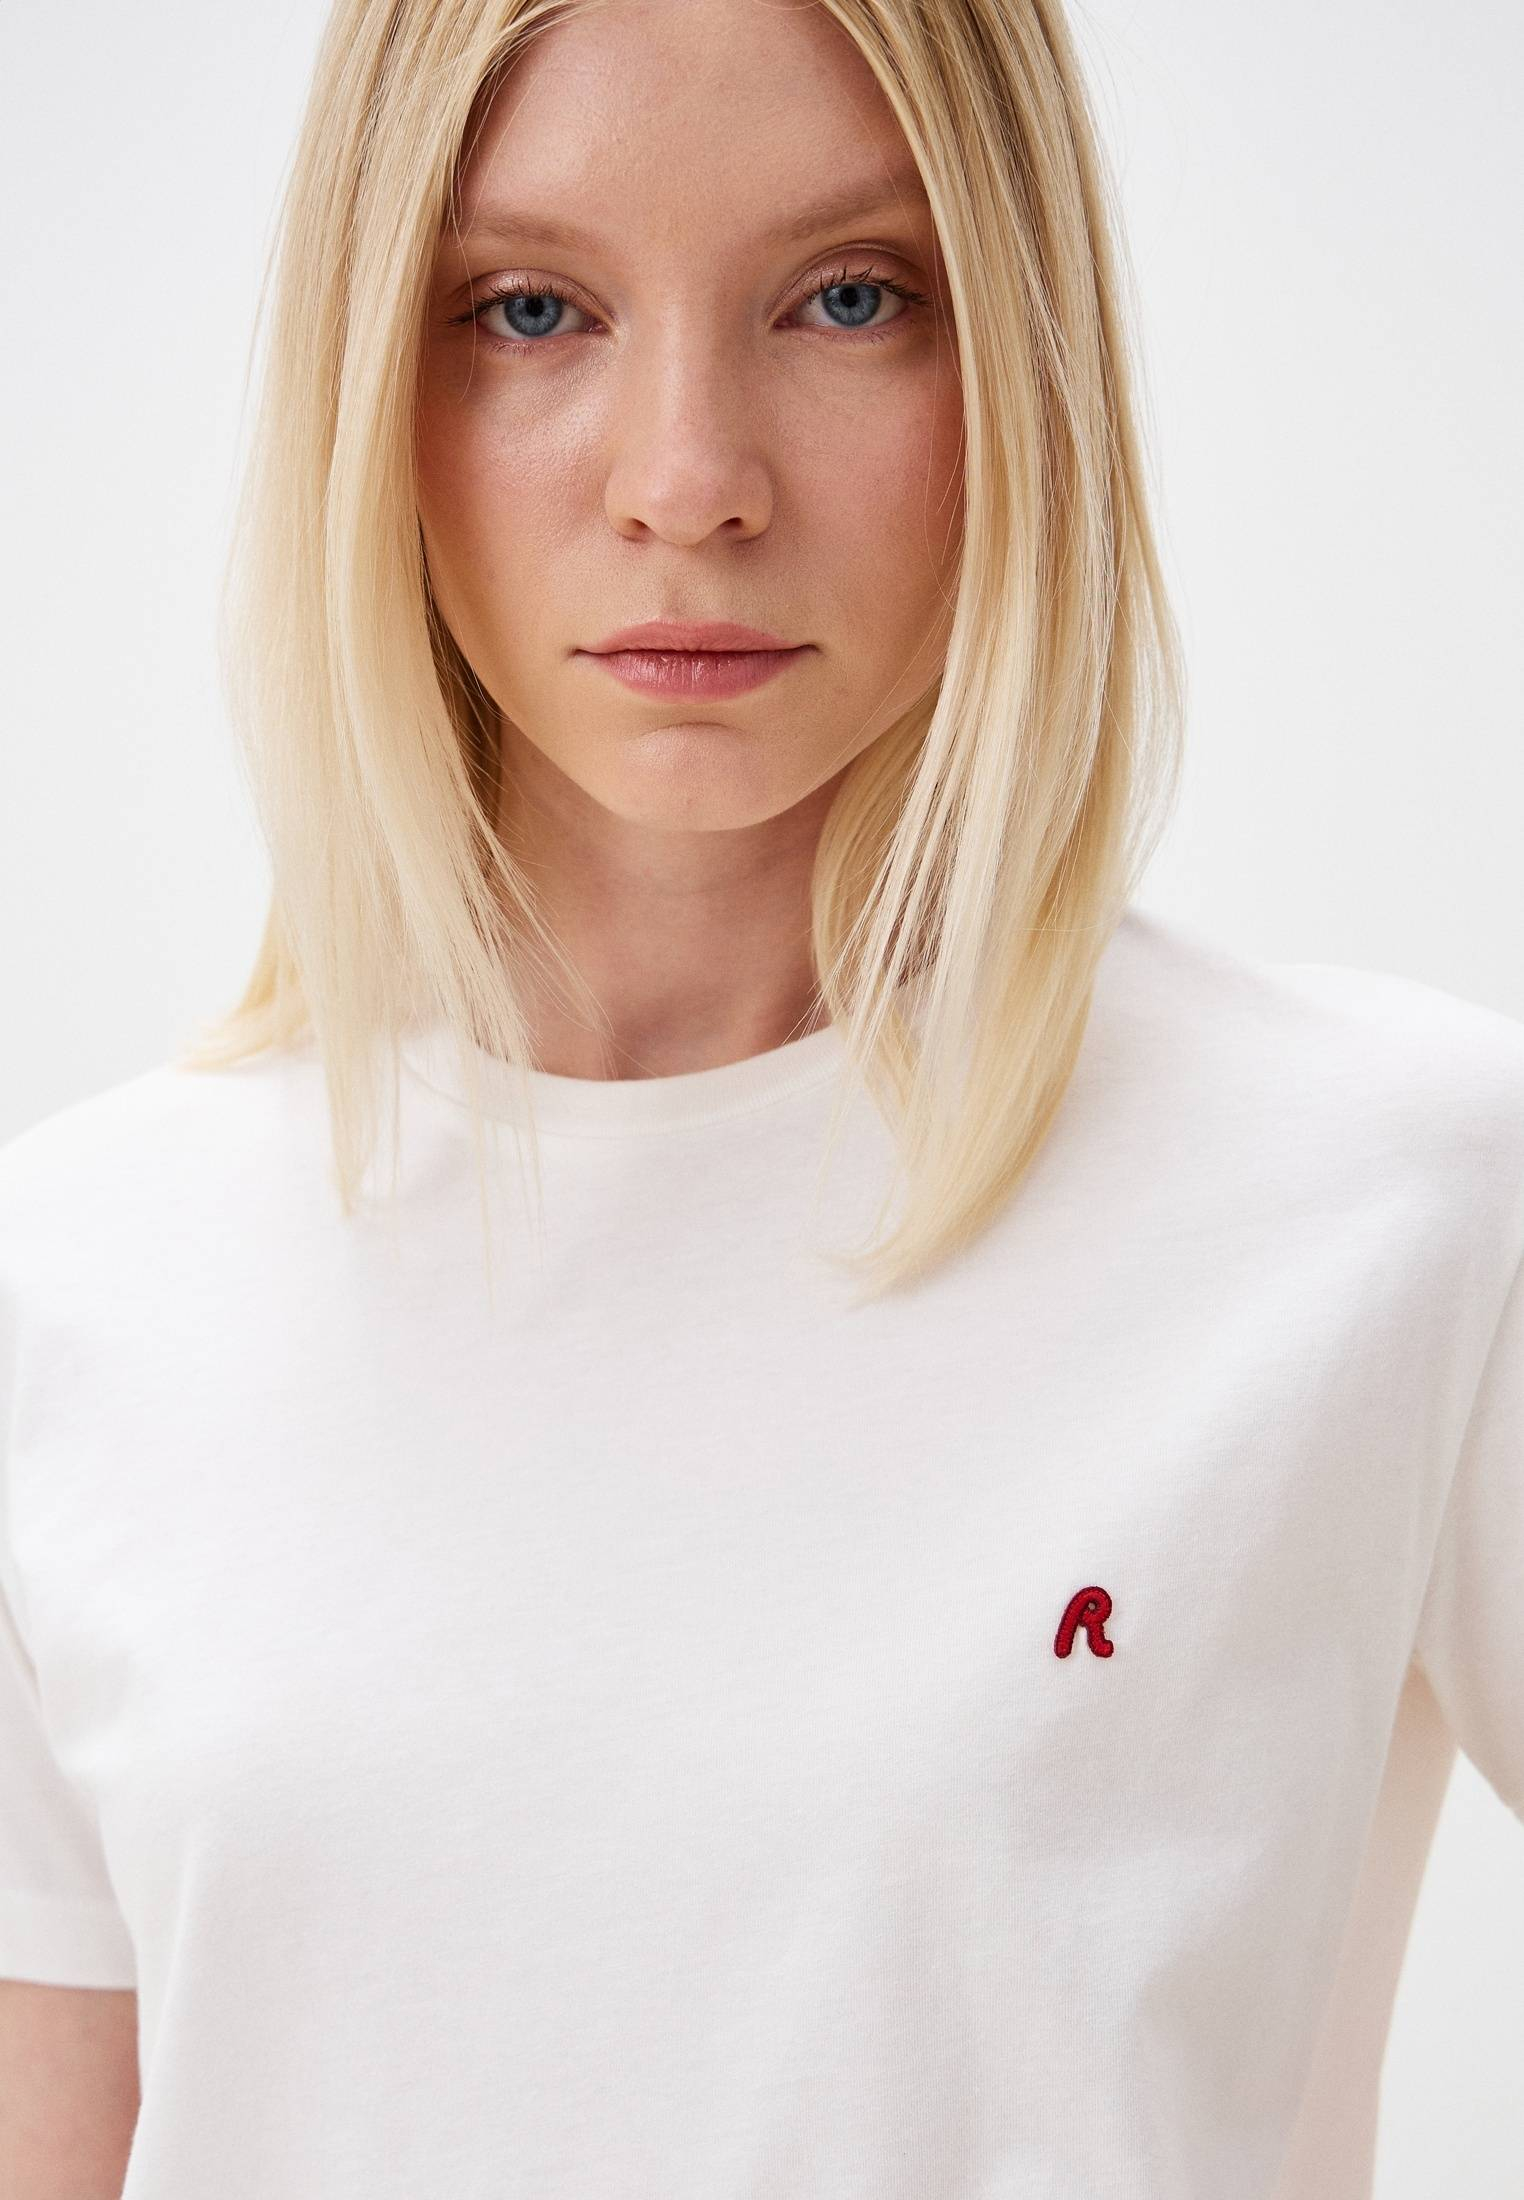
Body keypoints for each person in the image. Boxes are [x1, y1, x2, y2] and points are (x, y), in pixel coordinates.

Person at [1, 0, 1520, 2194]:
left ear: (1017, 353)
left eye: (849, 298)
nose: (688, 478)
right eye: (532, 310)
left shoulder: (1402, 1194)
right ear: (372, 374)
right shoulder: (70, 1287)